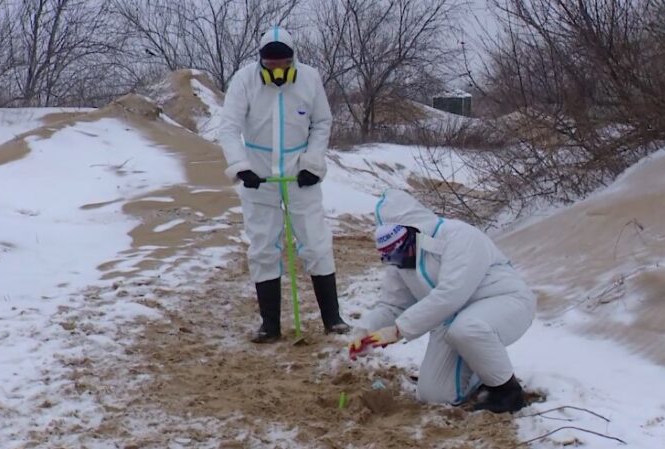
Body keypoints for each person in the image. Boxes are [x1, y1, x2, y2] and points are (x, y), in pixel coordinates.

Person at [349, 189, 536, 413]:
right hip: (451, 324)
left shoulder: (459, 236)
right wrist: (366, 331)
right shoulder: (400, 262)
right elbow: (392, 306)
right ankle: (481, 368)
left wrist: (399, 330)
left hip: (504, 302)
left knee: (468, 328)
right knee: (434, 395)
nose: (397, 260)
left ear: (413, 234)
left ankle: (508, 391)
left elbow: (451, 294)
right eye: (390, 255)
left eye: (399, 250)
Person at [219, 25, 350, 343]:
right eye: (271, 65)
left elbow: (321, 122)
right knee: (263, 246)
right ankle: (270, 325)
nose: (277, 70)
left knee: (316, 243)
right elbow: (228, 127)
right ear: (261, 62)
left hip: (298, 173)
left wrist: (313, 163)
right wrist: (241, 167)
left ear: (293, 61)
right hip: (260, 176)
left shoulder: (310, 78)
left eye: (283, 64)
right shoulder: (244, 80)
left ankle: (332, 320)